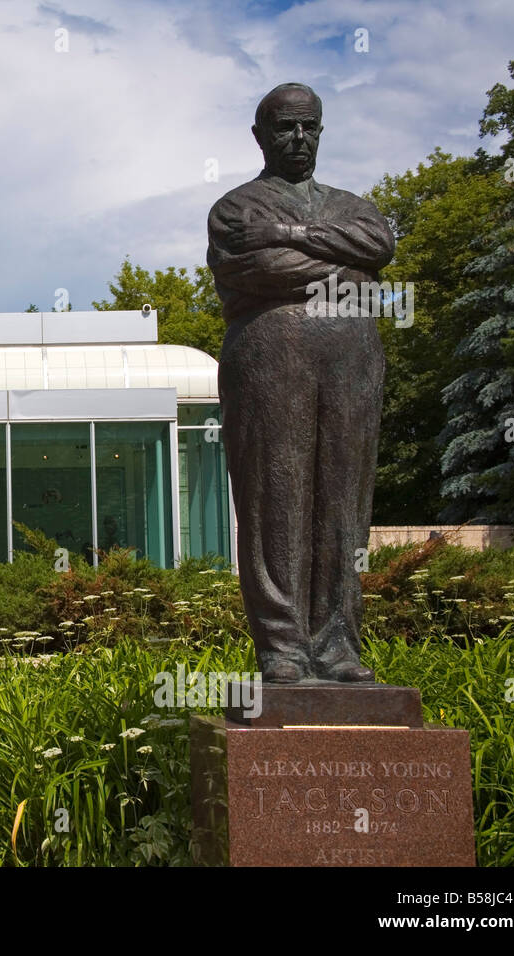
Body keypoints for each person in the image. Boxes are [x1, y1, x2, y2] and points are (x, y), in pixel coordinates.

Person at [206, 83, 395, 683]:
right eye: (286, 128)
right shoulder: (236, 208)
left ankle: (338, 644)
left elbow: (378, 247)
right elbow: (254, 267)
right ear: (261, 135)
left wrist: (290, 239)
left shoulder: (351, 204)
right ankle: (283, 647)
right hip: (269, 359)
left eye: (309, 127)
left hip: (352, 362)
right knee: (275, 502)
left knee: (343, 503)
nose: (299, 138)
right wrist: (343, 267)